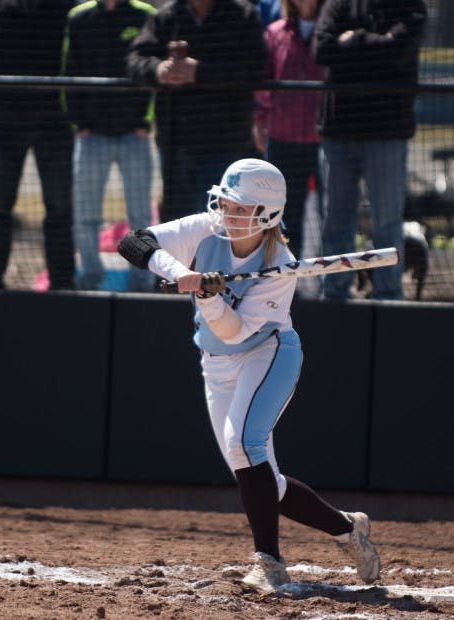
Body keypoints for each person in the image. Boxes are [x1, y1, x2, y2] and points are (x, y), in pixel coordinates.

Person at [117, 158, 381, 591]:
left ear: (267, 214)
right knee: (257, 474)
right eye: (226, 204)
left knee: (244, 444)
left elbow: (235, 329)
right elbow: (135, 241)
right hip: (216, 362)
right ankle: (347, 529)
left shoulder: (282, 263)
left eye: (241, 209)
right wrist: (182, 273)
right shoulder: (205, 227)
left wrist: (208, 298)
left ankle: (269, 564)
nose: (229, 215)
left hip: (267, 353)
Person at [314, 0, 426, 301]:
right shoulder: (341, 0)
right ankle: (334, 292)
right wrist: (376, 44)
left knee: (387, 222)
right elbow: (323, 50)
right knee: (337, 219)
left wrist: (353, 40)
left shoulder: (412, 6)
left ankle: (387, 294)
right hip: (338, 132)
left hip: (386, 134)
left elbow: (397, 53)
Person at [127, 0, 265, 224]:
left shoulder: (241, 16)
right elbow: (135, 60)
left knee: (222, 224)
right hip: (175, 142)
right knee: (178, 225)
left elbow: (254, 68)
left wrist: (199, 72)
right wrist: (158, 70)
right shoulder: (168, 17)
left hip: (224, 144)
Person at [0, 0, 81, 291]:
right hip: (5, 119)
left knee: (60, 206)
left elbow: (78, 55)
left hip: (56, 121)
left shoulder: (69, 1)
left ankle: (62, 281)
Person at [61, 0, 156, 292]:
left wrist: (144, 122)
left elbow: (153, 72)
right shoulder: (79, 18)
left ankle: (142, 280)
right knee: (85, 213)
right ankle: (90, 276)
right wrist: (80, 122)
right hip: (92, 135)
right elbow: (69, 71)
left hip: (134, 134)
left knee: (140, 217)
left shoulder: (146, 16)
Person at [253, 0, 329, 259]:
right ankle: (285, 287)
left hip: (326, 139)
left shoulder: (331, 29)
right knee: (284, 220)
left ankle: (332, 288)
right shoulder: (275, 33)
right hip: (283, 139)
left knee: (332, 215)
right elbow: (263, 83)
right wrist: (259, 118)